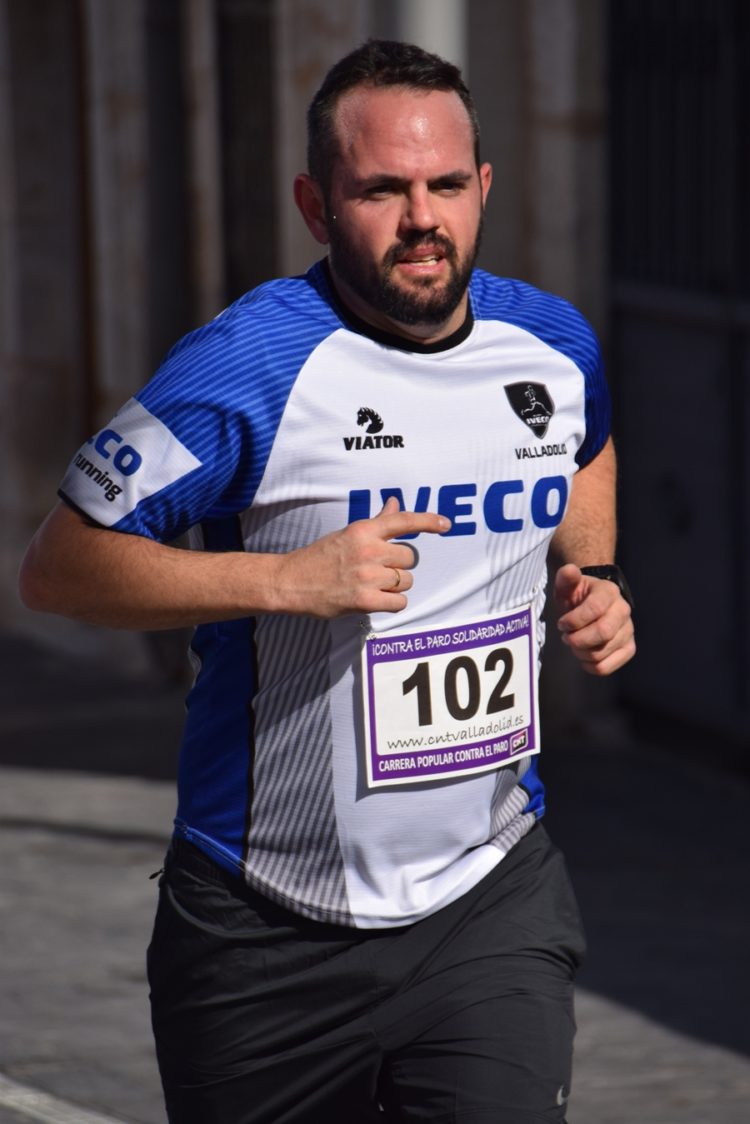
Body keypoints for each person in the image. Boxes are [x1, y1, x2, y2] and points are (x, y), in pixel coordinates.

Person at [19, 38, 635, 1124]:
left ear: (483, 185)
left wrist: (591, 571)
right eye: (381, 190)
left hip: (487, 896)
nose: (422, 219)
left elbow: (586, 447)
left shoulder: (549, 342)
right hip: (265, 929)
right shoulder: (246, 367)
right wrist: (285, 579)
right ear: (315, 202)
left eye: (446, 184)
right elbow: (59, 568)